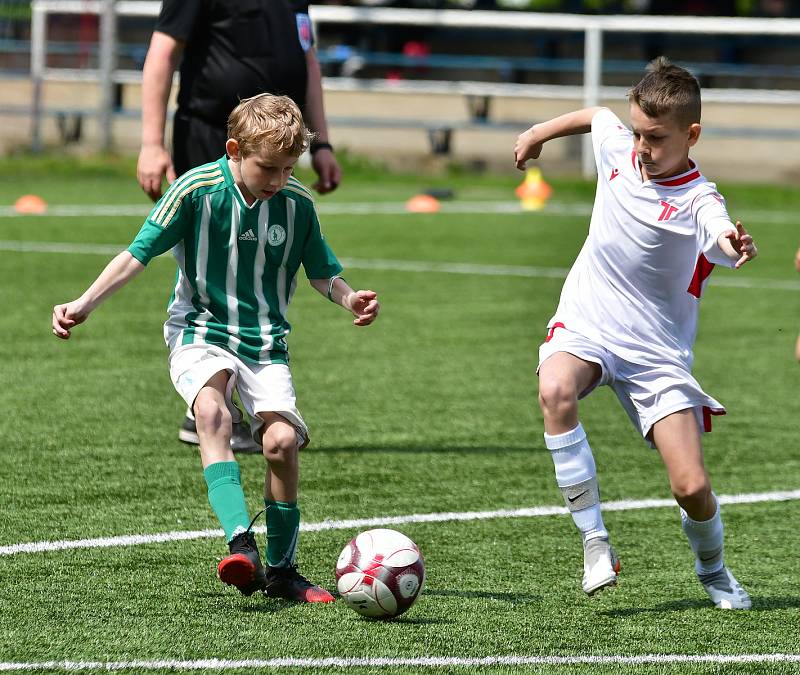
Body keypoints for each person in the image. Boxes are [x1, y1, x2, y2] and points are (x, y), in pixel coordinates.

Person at [53, 94, 379, 602]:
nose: (277, 180)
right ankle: (241, 543)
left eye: (288, 168)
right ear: (233, 150)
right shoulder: (195, 189)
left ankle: (283, 573)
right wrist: (84, 303)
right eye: (267, 168)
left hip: (266, 343)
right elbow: (138, 253)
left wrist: (349, 297)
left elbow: (322, 272)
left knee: (281, 445)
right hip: (200, 328)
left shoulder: (297, 204)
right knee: (212, 411)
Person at [513, 56, 757, 609]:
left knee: (690, 487)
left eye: (656, 137)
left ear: (691, 134)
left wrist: (733, 246)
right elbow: (597, 116)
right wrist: (537, 134)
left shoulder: (699, 198)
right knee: (554, 389)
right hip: (589, 321)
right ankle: (595, 541)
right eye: (638, 132)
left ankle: (713, 570)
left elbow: (718, 235)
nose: (642, 146)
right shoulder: (620, 147)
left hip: (656, 353)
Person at [136, 0, 342, 452]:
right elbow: (163, 51)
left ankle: (244, 397)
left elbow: (307, 59)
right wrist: (151, 142)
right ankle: (209, 402)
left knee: (259, 262)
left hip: (279, 146)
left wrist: (320, 141)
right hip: (213, 134)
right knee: (213, 254)